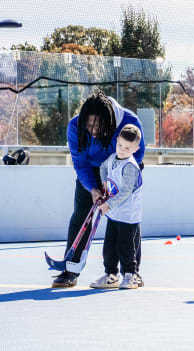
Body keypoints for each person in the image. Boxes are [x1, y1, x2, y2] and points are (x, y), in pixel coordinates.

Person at [52, 91, 145, 288]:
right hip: (93, 171)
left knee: (126, 219)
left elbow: (138, 153)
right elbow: (80, 162)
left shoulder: (129, 121)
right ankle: (71, 269)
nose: (92, 129)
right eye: (89, 124)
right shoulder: (75, 127)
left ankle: (132, 272)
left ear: (109, 120)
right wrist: (93, 188)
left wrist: (115, 181)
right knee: (81, 215)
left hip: (123, 169)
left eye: (97, 125)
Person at [90, 125, 143, 289]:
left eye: (127, 148)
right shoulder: (113, 158)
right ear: (117, 142)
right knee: (109, 247)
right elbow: (103, 167)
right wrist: (105, 182)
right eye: (120, 145)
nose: (122, 150)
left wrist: (108, 204)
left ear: (136, 148)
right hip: (114, 214)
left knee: (125, 247)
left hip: (128, 216)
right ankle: (111, 275)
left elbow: (126, 191)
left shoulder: (130, 166)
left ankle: (130, 275)